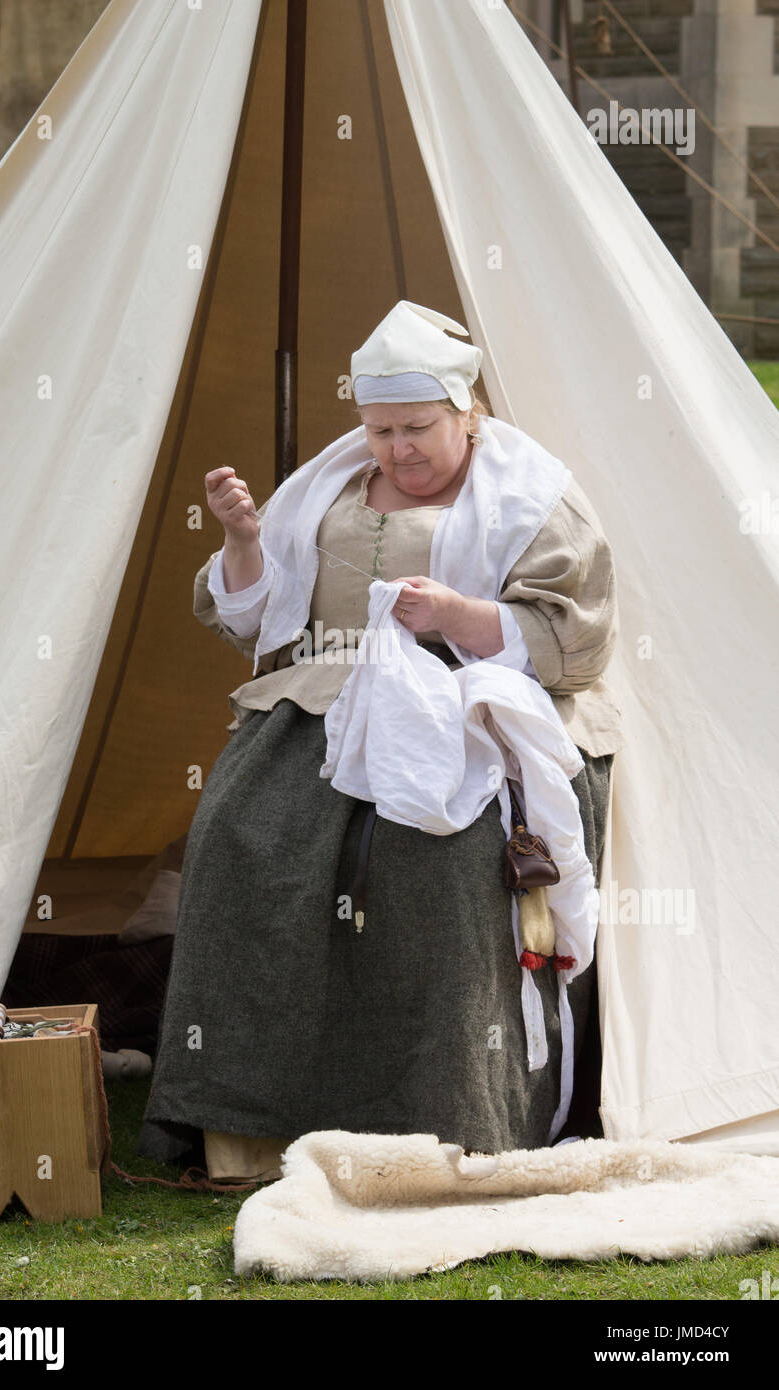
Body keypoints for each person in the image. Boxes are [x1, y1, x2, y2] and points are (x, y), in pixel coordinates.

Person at [137, 301, 624, 1182]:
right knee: (236, 846)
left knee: (431, 864)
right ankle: (248, 1125)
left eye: (418, 428)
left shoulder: (533, 496)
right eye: (380, 429)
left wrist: (458, 616)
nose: (397, 449)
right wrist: (245, 541)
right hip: (324, 706)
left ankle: (444, 1120)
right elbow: (254, 619)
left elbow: (574, 637)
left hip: (469, 715)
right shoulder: (322, 487)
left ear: (467, 415)